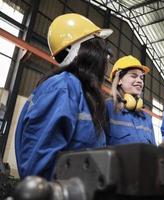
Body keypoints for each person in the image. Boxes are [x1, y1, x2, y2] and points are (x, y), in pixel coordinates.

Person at [14, 13, 113, 180]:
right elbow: (39, 176)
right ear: (84, 50)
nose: (106, 58)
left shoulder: (77, 90)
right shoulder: (63, 88)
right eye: (100, 47)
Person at [105, 55, 156, 145]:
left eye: (141, 78)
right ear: (119, 80)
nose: (140, 81)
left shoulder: (146, 118)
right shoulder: (107, 108)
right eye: (133, 76)